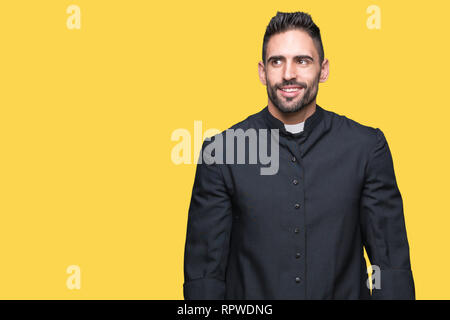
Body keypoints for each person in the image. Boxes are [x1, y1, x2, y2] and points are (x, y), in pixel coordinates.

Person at [183, 11, 415, 299]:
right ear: (261, 72)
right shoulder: (222, 154)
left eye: (302, 61)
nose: (288, 73)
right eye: (276, 61)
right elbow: (205, 275)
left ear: (324, 69)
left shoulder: (366, 147)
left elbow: (390, 265)